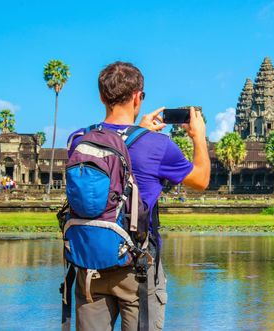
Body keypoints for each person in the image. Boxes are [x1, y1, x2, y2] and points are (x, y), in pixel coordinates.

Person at [67, 61, 210, 330]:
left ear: (101, 96)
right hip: (137, 267)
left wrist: (138, 130)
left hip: (88, 263)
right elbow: (201, 180)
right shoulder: (157, 145)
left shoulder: (79, 140)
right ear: (137, 97)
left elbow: (115, 142)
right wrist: (198, 137)